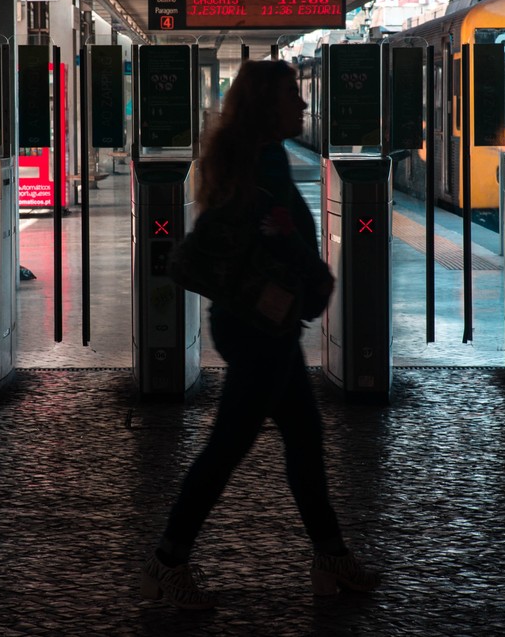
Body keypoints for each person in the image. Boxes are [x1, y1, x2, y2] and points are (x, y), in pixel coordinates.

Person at [140, 59, 381, 610]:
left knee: (304, 439)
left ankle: (331, 556)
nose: (302, 104)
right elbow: (260, 240)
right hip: (258, 330)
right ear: (265, 105)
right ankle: (166, 561)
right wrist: (312, 274)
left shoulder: (255, 157)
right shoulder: (259, 166)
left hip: (263, 325)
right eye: (291, 94)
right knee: (228, 448)